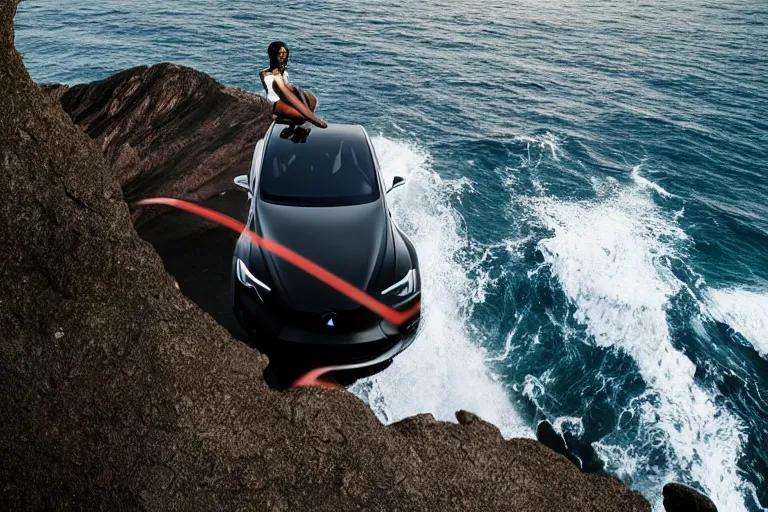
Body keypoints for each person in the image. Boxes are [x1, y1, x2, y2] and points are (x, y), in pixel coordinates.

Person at [260, 41, 327, 128]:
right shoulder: (276, 75)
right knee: (302, 118)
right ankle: (276, 118)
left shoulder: (281, 73)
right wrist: (314, 119)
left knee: (310, 98)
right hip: (275, 102)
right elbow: (289, 97)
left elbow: (291, 90)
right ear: (273, 54)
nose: (283, 55)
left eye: (285, 53)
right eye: (280, 53)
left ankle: (295, 125)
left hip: (283, 99)